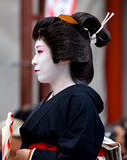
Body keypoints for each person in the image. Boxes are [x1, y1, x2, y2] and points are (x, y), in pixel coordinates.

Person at [15, 12, 113, 160]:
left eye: (40, 52)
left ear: (64, 55)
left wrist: (32, 156)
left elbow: (78, 157)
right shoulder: (55, 98)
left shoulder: (81, 101)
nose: (34, 61)